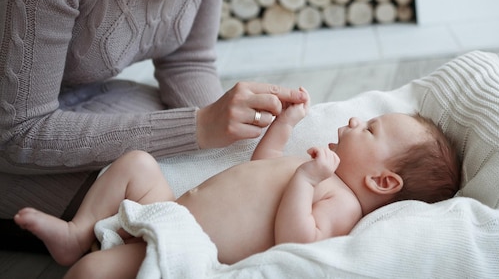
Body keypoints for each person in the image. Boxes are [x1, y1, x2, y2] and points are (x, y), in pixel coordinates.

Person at [0, 0, 327, 245]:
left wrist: (239, 147)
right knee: (197, 214)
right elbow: (15, 133)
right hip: (16, 143)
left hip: (80, 104)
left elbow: (187, 62)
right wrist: (201, 126)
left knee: (254, 174)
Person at [15, 87, 460, 277]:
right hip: (168, 211)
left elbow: (299, 242)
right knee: (137, 163)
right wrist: (284, 125)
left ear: (382, 181)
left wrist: (307, 180)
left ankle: (83, 254)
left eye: (370, 130)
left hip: (185, 246)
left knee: (92, 272)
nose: (354, 120)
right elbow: (259, 167)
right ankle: (77, 232)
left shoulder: (338, 198)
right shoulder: (319, 171)